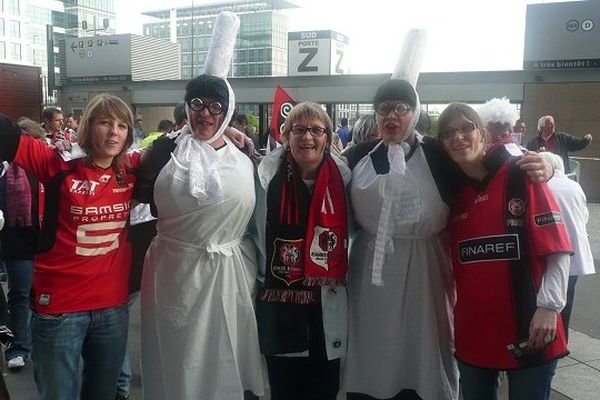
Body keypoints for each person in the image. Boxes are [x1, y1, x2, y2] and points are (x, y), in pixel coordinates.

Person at [137, 11, 264, 400]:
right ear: (186, 106)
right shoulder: (161, 150)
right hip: (175, 274)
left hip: (230, 273)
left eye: (215, 106)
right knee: (181, 358)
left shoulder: (248, 155)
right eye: (198, 103)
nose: (205, 113)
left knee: (225, 354)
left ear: (228, 113)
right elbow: (133, 191)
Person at [0, 93, 140, 400]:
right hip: (59, 310)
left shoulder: (132, 169)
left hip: (112, 309)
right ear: (89, 126)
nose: (114, 131)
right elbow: (5, 133)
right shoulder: (56, 162)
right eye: (105, 123)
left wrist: (228, 130)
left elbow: (183, 146)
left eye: (121, 125)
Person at [438, 102, 571, 400]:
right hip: (474, 332)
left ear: (483, 134)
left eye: (465, 128)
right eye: (448, 132)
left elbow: (557, 248)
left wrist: (550, 307)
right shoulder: (450, 194)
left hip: (531, 327)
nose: (457, 137)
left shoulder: (521, 173)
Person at [254, 101, 350, 400]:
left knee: (325, 388)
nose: (307, 137)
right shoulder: (264, 179)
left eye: (316, 130)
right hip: (280, 300)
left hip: (327, 299)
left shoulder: (345, 180)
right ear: (286, 135)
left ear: (328, 137)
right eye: (299, 129)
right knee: (284, 388)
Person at [0, 119, 45, 371]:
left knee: (43, 297)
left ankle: (40, 343)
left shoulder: (47, 164)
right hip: (15, 241)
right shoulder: (5, 169)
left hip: (46, 241)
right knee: (19, 295)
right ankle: (17, 348)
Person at [539, 151, 595, 341]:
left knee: (551, 298)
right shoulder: (575, 186)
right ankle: (563, 339)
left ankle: (552, 339)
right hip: (576, 252)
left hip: (554, 251)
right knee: (567, 298)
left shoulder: (543, 186)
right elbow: (584, 215)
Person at [526, 115, 593, 174]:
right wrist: (538, 153)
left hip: (561, 173)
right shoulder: (533, 142)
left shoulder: (562, 138)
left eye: (553, 123)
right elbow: (528, 157)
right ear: (542, 127)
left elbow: (577, 144)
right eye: (550, 124)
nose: (553, 126)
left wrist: (585, 140)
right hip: (542, 174)